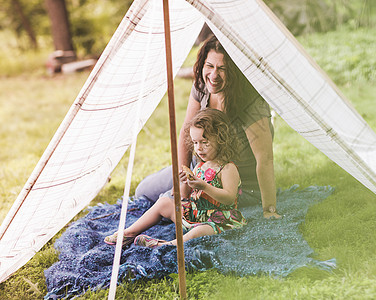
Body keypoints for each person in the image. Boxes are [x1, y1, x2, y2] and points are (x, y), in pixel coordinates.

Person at [135, 35, 280, 219]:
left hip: (234, 182)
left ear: (234, 72)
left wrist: (269, 209)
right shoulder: (202, 86)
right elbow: (187, 132)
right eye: (209, 66)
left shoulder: (250, 101)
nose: (213, 75)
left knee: (169, 205)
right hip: (199, 168)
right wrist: (183, 182)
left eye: (222, 69)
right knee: (143, 192)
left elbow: (265, 159)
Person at [104, 109, 247, 247]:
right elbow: (188, 195)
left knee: (199, 232)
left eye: (205, 142)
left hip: (218, 222)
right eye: (195, 142)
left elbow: (229, 198)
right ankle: (129, 233)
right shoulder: (199, 166)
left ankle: (167, 245)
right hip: (195, 216)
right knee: (164, 202)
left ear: (221, 139)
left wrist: (204, 186)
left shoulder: (228, 168)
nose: (199, 148)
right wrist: (185, 182)